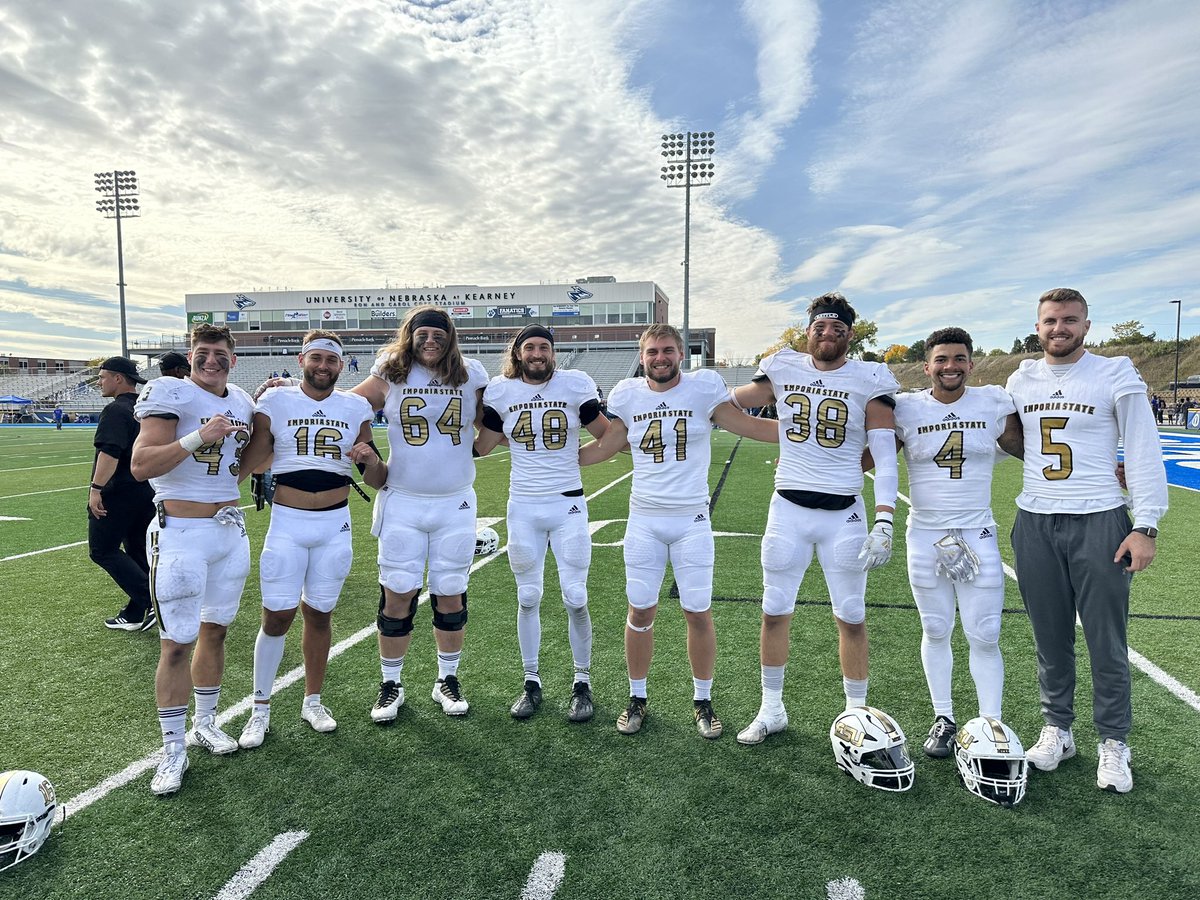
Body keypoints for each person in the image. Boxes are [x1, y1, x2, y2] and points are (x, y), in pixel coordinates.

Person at [1000, 288, 1168, 794]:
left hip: (1099, 520)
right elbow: (1011, 437)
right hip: (1034, 520)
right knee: (1050, 637)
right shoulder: (1020, 377)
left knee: (1105, 641)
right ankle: (1058, 729)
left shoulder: (1113, 370)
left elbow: (1142, 447)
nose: (1059, 329)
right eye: (1051, 320)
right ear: (1038, 326)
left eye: (1070, 320)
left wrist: (1146, 524)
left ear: (1086, 326)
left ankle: (1114, 741)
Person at [580, 324, 778, 738]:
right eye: (652, 351)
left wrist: (806, 438)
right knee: (640, 611)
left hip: (691, 520)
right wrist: (544, 453)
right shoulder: (627, 394)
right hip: (644, 521)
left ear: (680, 354)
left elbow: (747, 425)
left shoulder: (703, 389)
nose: (660, 358)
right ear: (642, 356)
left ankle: (703, 699)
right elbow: (608, 444)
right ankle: (637, 697)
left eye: (667, 350)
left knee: (698, 611)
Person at [730, 292, 900, 745]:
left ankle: (856, 716)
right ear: (808, 331)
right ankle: (771, 708)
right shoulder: (784, 366)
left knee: (852, 615)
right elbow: (737, 400)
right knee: (773, 610)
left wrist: (885, 518)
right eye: (820, 328)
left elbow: (885, 453)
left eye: (838, 329)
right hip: (786, 509)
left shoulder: (869, 377)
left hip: (843, 513)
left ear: (850, 335)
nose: (828, 335)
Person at [235, 331, 381, 749]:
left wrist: (371, 460)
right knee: (276, 617)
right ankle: (259, 708)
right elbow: (255, 454)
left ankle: (312, 700)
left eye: (331, 360)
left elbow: (375, 475)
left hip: (335, 524)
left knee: (320, 615)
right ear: (302, 360)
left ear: (342, 364)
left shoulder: (356, 407)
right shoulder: (276, 401)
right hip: (287, 522)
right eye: (316, 358)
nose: (323, 366)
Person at [132, 323, 255, 796]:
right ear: (190, 355)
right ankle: (172, 750)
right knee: (176, 643)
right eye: (202, 352)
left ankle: (205, 722)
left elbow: (243, 462)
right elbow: (142, 465)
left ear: (233, 359)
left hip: (229, 531)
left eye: (220, 353)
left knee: (217, 631)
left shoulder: (242, 400)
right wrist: (196, 438)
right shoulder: (170, 392)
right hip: (179, 532)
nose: (211, 360)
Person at [351, 306, 490, 722]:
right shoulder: (391, 371)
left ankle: (446, 678)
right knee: (398, 593)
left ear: (451, 338)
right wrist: (366, 454)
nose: (431, 341)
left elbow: (497, 419)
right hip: (404, 499)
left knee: (450, 591)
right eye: (423, 334)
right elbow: (351, 406)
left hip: (455, 501)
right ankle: (390, 684)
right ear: (409, 336)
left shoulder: (470, 373)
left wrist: (479, 449)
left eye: (439, 334)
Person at [475, 324, 609, 722]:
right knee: (528, 596)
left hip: (567, 503)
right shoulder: (501, 390)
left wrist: (575, 459)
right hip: (524, 506)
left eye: (544, 347)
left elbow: (607, 435)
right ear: (518, 353)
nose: (537, 353)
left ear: (554, 352)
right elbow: (483, 444)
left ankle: (581, 682)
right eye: (529, 347)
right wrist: (510, 440)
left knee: (575, 596)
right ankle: (531, 681)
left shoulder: (574, 384)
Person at [891, 328, 1016, 757]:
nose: (951, 367)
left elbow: (1032, 446)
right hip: (925, 534)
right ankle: (943, 716)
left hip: (977, 532)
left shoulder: (993, 401)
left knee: (985, 632)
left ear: (971, 363)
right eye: (941, 359)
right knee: (936, 628)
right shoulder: (906, 408)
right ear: (926, 367)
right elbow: (873, 454)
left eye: (959, 358)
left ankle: (990, 723)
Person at [90, 356, 157, 632]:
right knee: (138, 552)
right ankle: (134, 612)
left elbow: (110, 452)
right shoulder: (144, 408)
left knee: (102, 550)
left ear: (118, 378)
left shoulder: (116, 410)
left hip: (118, 491)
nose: (99, 382)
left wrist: (96, 489)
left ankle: (151, 601)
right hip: (145, 489)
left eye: (103, 376)